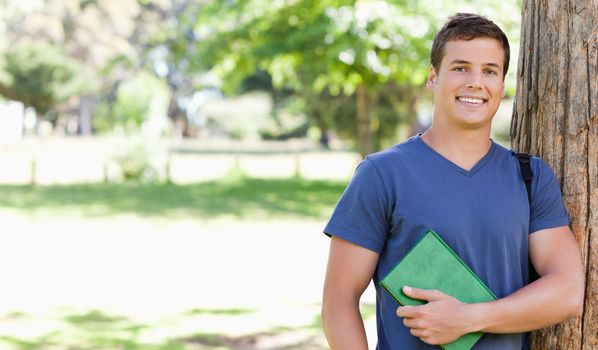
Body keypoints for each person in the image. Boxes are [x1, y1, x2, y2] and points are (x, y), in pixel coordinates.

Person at [321, 13, 585, 350]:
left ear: (501, 85)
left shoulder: (529, 176)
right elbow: (339, 301)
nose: (476, 82)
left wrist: (469, 318)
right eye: (461, 67)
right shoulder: (382, 174)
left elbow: (567, 293)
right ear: (433, 77)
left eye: (490, 71)